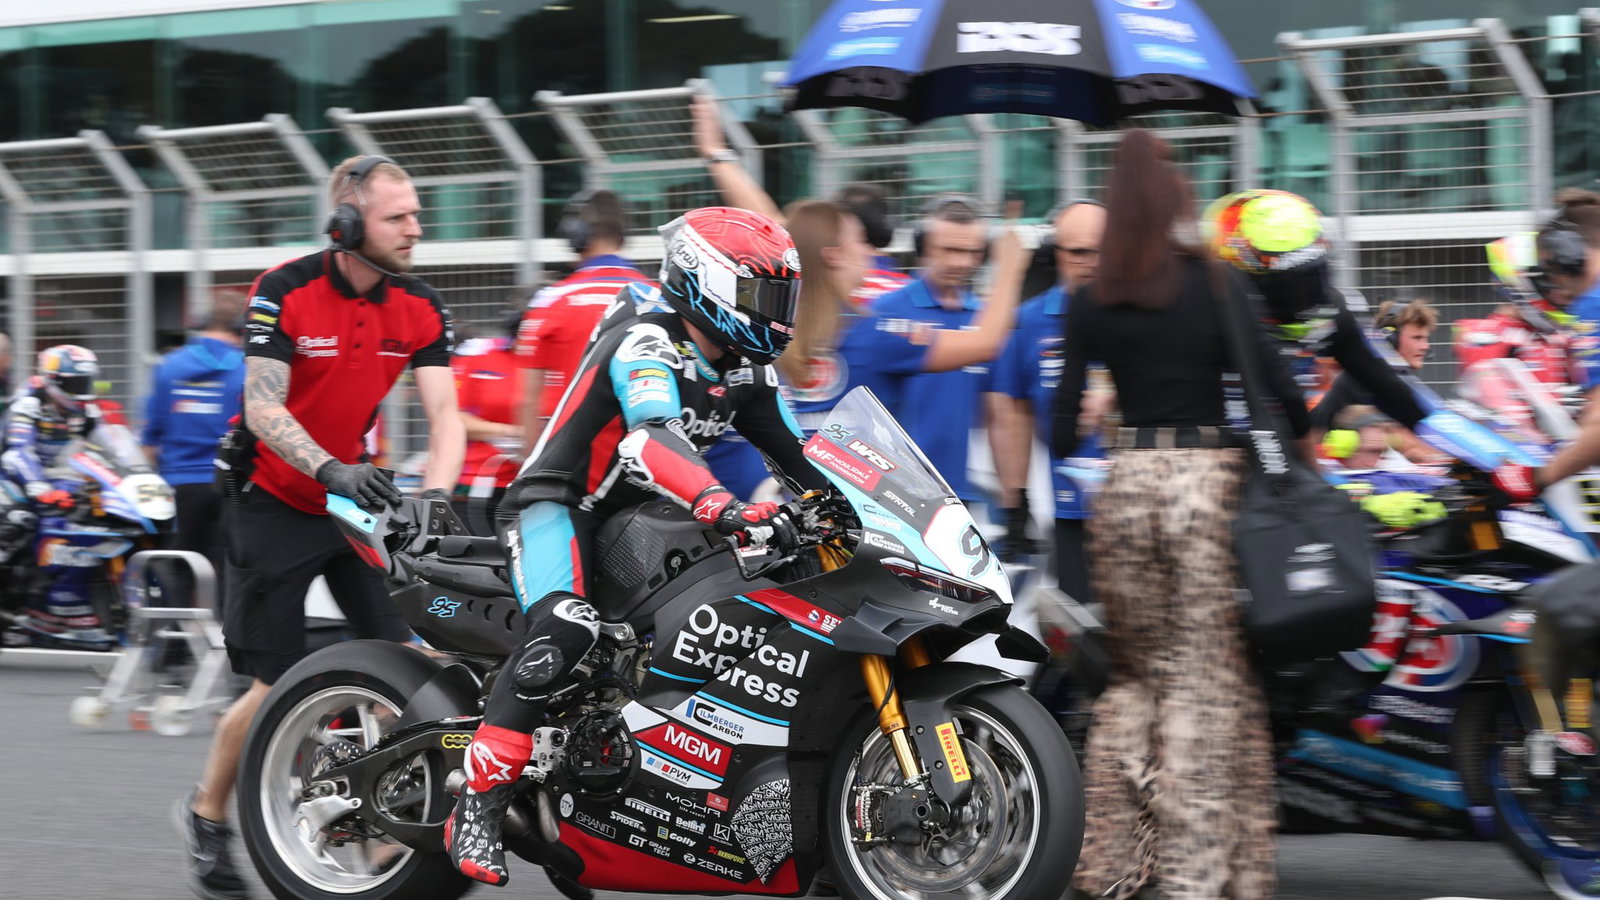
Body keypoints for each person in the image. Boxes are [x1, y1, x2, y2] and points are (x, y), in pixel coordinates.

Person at [446, 207, 831, 887]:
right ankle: (478, 801)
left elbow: (802, 457)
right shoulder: (646, 341)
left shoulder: (747, 369)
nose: (776, 311)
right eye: (760, 294)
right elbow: (650, 440)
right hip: (558, 504)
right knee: (567, 624)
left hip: (644, 519)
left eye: (781, 296)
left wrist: (852, 515)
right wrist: (723, 505)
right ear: (706, 283)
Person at [175, 154, 465, 900]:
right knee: (275, 684)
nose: (416, 227)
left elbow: (446, 417)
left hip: (351, 501)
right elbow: (263, 406)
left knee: (413, 662)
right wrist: (329, 467)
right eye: (398, 217)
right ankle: (207, 815)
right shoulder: (283, 290)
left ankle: (389, 823)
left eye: (416, 213)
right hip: (272, 499)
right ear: (345, 225)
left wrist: (434, 500)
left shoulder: (422, 305)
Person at [1053, 131, 1306, 900]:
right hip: (1204, 487)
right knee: (1203, 683)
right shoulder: (1215, 283)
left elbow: (1059, 430)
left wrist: (1110, 409)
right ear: (1175, 201)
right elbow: (1283, 395)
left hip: (1126, 489)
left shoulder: (1089, 298)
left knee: (1133, 680)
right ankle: (1196, 878)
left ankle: (1110, 865)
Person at [988, 199, 1107, 603]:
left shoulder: (1144, 312)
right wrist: (1015, 505)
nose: (1091, 262)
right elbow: (1014, 416)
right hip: (1072, 508)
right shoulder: (1030, 320)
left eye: (1101, 251)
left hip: (1144, 505)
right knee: (1083, 623)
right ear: (1057, 253)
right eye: (1078, 252)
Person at [514, 189, 651, 455]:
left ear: (575, 234)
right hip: (642, 455)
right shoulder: (656, 296)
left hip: (571, 458)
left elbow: (527, 400)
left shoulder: (550, 301)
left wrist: (531, 462)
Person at [141, 290, 248, 608]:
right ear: (241, 327)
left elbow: (150, 438)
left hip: (178, 484)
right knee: (227, 567)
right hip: (230, 486)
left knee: (178, 563)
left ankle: (173, 635)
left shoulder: (169, 365)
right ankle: (225, 635)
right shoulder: (248, 369)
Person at [0, 345, 104, 634]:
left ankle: (51, 600)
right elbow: (18, 454)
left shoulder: (87, 411)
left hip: (57, 479)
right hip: (12, 476)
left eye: (85, 383)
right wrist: (39, 488)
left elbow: (108, 445)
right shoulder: (28, 404)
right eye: (74, 384)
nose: (82, 391)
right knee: (16, 521)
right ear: (52, 381)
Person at [1312, 299, 1449, 465]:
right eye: (1417, 338)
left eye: (1425, 339)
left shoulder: (1403, 379)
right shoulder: (1364, 379)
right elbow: (1406, 440)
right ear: (1390, 339)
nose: (1425, 346)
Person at [452, 309, 524, 534]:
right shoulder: (478, 354)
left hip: (538, 486)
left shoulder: (565, 358)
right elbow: (452, 419)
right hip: (478, 484)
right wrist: (515, 432)